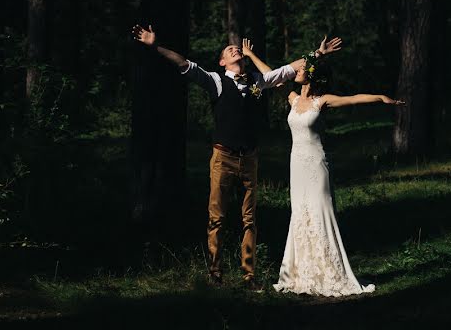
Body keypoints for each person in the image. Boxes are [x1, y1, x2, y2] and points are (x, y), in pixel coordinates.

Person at [131, 24, 342, 287]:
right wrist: (155, 46)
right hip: (223, 158)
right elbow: (183, 63)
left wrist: (318, 54)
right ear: (223, 62)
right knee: (216, 217)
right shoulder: (216, 81)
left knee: (249, 218)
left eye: (236, 49)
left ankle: (248, 274)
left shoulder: (257, 80)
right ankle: (215, 272)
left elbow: (289, 68)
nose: (234, 48)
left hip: (249, 157)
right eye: (228, 50)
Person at [272, 53, 404, 296]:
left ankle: (329, 269)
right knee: (300, 212)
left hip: (316, 165)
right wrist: (249, 55)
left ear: (311, 76)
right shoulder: (291, 99)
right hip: (296, 166)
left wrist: (379, 98)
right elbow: (271, 75)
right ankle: (300, 271)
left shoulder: (322, 101)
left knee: (320, 211)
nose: (296, 72)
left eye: (302, 69)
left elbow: (352, 99)